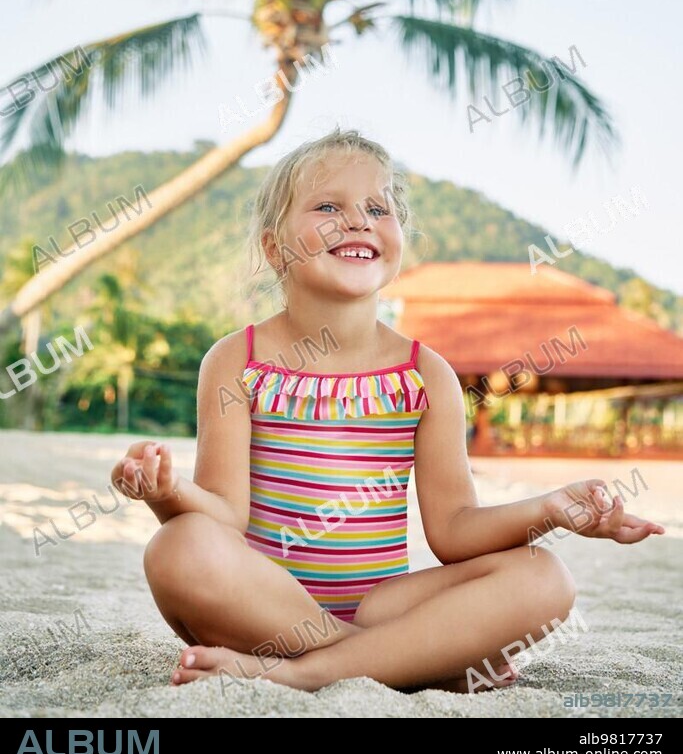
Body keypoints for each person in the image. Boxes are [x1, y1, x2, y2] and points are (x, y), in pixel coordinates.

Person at [111, 128, 664, 693]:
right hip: (260, 611)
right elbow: (223, 517)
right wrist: (165, 492)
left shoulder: (426, 375)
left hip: (383, 607)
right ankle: (410, 660)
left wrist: (549, 508)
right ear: (276, 247)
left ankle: (313, 672)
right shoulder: (236, 361)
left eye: (378, 207)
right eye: (329, 205)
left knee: (547, 578)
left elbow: (453, 531)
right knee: (175, 548)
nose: (358, 220)